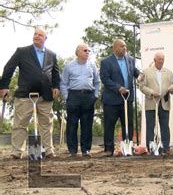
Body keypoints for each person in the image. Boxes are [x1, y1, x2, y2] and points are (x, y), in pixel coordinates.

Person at [0, 27, 60, 159]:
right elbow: (9, 68)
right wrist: (4, 86)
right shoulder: (22, 52)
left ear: (45, 39)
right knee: (20, 124)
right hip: (25, 95)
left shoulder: (51, 54)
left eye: (40, 35)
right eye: (35, 34)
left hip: (45, 95)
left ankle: (48, 151)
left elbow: (55, 72)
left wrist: (56, 85)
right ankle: (16, 152)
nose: (37, 36)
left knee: (46, 124)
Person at [99, 39, 140, 156]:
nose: (125, 48)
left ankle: (128, 147)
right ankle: (108, 149)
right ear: (115, 48)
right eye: (122, 46)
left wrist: (140, 75)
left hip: (127, 98)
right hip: (112, 99)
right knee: (109, 125)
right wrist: (118, 88)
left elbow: (134, 72)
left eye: (125, 46)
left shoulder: (130, 59)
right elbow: (105, 79)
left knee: (128, 123)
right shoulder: (106, 62)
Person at [60, 43, 100, 158]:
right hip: (73, 96)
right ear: (77, 52)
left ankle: (86, 150)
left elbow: (97, 82)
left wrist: (95, 95)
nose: (87, 52)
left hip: (88, 97)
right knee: (72, 124)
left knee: (87, 124)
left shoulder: (92, 66)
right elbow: (63, 83)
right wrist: (67, 97)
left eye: (88, 51)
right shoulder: (69, 66)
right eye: (85, 50)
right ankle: (72, 151)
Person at [138, 52, 173, 155]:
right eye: (159, 59)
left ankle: (166, 147)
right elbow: (141, 86)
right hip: (152, 102)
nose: (161, 61)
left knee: (164, 126)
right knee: (150, 126)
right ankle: (151, 148)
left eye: (163, 59)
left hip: (164, 102)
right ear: (154, 60)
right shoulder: (146, 72)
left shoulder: (169, 72)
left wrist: (172, 88)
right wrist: (151, 92)